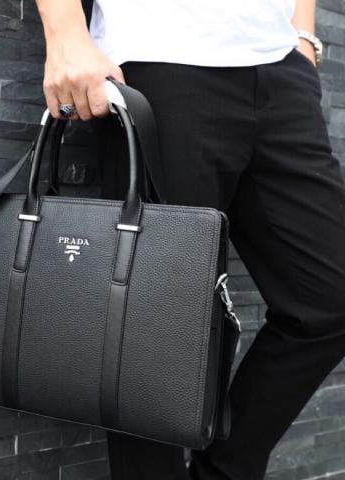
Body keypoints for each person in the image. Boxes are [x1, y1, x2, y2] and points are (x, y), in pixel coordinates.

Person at [34, 0, 345, 479]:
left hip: (281, 70)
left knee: (329, 298)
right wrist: (65, 34)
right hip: (160, 61)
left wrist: (302, 37)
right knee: (150, 322)